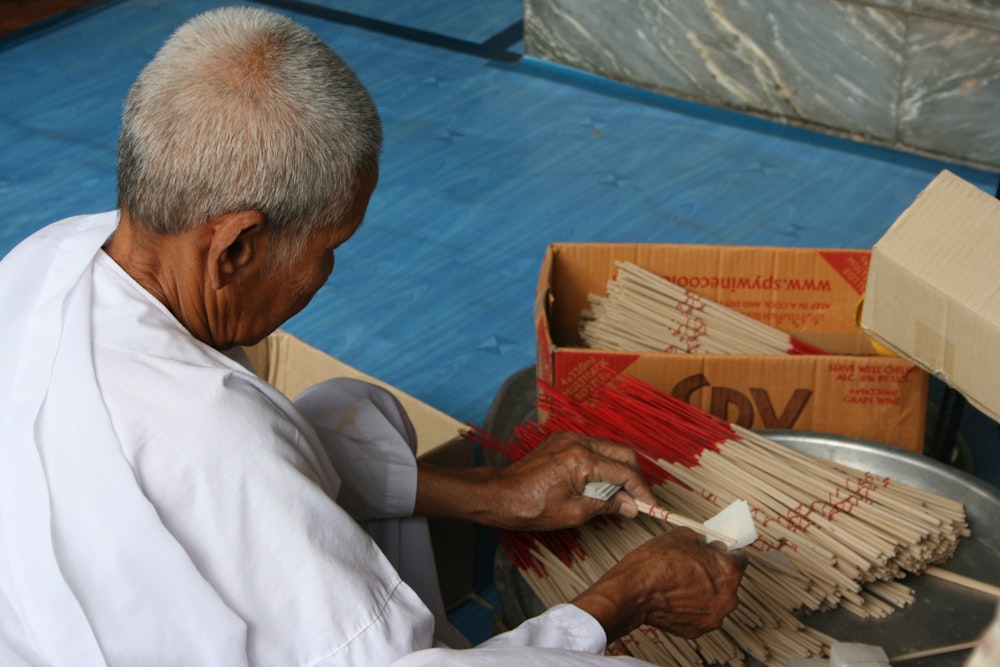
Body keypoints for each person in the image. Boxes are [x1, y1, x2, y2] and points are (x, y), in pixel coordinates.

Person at [0, 6, 747, 666]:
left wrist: (494, 494)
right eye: (329, 247)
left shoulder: (48, 259)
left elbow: (243, 486)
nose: (328, 273)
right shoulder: (212, 435)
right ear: (234, 249)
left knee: (352, 411)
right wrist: (624, 597)